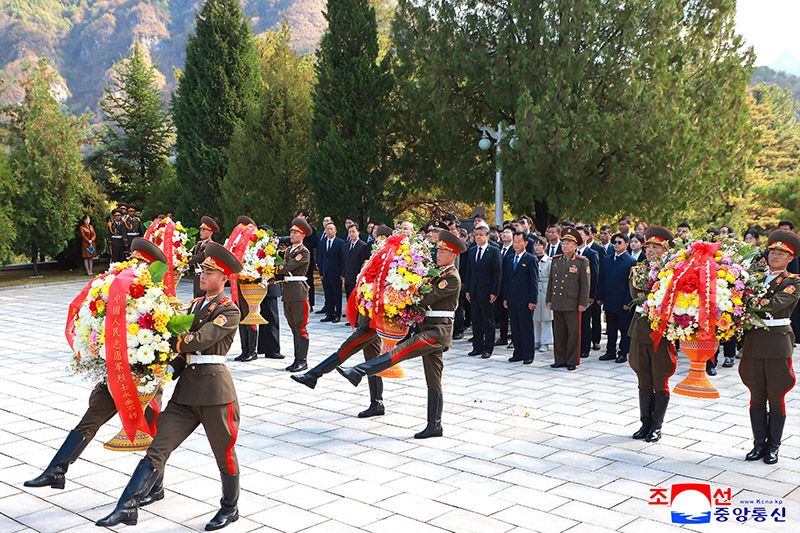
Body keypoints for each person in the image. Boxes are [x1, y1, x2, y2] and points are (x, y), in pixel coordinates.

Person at [95, 242, 244, 530]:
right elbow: (183, 355)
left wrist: (162, 338)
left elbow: (199, 340)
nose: (203, 275)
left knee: (224, 452)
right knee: (158, 447)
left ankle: (230, 507)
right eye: (202, 270)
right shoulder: (193, 305)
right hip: (186, 394)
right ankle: (127, 506)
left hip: (215, 394)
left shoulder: (229, 309)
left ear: (224, 278)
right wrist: (160, 372)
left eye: (210, 272)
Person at [25, 239, 167, 497]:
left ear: (149, 267)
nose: (131, 268)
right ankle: (56, 470)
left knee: (153, 434)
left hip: (141, 380)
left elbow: (161, 341)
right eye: (131, 261)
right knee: (91, 418)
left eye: (138, 264)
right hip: (114, 374)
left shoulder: (156, 298)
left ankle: (155, 487)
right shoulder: (113, 292)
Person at [337, 230, 467, 438]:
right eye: (439, 249)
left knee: (400, 352)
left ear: (453, 255)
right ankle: (435, 425)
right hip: (428, 328)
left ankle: (359, 371)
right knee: (433, 380)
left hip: (438, 332)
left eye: (443, 251)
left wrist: (403, 292)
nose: (438, 253)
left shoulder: (451, 278)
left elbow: (425, 299)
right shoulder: (438, 273)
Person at [292, 225, 394, 417]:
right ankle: (377, 402)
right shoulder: (377, 259)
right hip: (367, 318)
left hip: (374, 323)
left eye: (380, 238)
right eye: (375, 238)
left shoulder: (392, 263)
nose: (376, 242)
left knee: (345, 349)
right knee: (371, 360)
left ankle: (314, 375)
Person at [739, 230, 800, 464]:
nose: (775, 255)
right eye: (772, 251)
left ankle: (773, 446)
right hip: (754, 341)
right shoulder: (752, 278)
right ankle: (758, 444)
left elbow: (775, 304)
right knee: (756, 395)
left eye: (781, 253)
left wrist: (746, 302)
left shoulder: (793, 281)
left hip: (776, 342)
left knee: (776, 396)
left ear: (790, 258)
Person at [628, 226, 677, 443]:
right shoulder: (639, 269)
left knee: (660, 378)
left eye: (655, 246)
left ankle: (657, 426)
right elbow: (636, 295)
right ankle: (644, 422)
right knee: (643, 378)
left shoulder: (673, 271)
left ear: (666, 249)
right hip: (640, 328)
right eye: (648, 246)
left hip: (661, 330)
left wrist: (649, 296)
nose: (650, 250)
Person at [546, 227, 590, 371]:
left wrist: (583, 303)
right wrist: (549, 299)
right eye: (564, 243)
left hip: (572, 302)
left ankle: (572, 360)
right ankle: (560, 359)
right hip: (558, 301)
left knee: (573, 333)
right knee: (559, 333)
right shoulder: (556, 260)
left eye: (569, 243)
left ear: (575, 246)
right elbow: (551, 281)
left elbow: (585, 284)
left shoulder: (581, 262)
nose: (565, 246)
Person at [276, 218, 313, 372]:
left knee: (301, 327)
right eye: (291, 232)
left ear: (302, 235)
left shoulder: (303, 252)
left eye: (295, 232)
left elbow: (287, 267)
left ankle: (302, 361)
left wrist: (277, 267)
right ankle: (296, 359)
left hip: (299, 292)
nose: (292, 234)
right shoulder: (288, 251)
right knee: (293, 327)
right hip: (288, 291)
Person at [596, 233, 637, 363]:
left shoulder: (631, 261)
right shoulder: (608, 259)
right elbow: (601, 278)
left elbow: (631, 284)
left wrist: (627, 301)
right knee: (611, 328)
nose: (616, 245)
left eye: (619, 242)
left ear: (626, 244)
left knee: (624, 329)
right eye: (615, 242)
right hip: (609, 299)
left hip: (622, 301)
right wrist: (600, 296)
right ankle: (610, 351)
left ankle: (623, 352)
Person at [465, 224, 502, 359]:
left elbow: (497, 273)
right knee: (476, 319)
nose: (478, 237)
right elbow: (469, 272)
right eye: (476, 235)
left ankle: (488, 348)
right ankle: (477, 346)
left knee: (488, 320)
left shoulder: (494, 251)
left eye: (481, 235)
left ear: (487, 236)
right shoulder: (472, 250)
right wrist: (468, 289)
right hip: (474, 291)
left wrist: (495, 291)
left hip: (487, 292)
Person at [503, 231, 538, 364]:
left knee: (526, 328)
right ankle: (518, 352)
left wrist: (532, 300)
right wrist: (505, 297)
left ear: (525, 243)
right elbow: (506, 280)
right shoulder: (509, 258)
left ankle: (528, 354)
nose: (516, 244)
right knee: (515, 328)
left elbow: (534, 281)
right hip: (512, 299)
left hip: (525, 300)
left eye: (519, 242)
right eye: (514, 241)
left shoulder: (530, 259)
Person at [576, 226, 600, 359]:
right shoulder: (572, 253)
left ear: (587, 236)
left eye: (581, 234)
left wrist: (591, 295)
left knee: (585, 322)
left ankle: (585, 348)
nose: (579, 237)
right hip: (573, 294)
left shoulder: (592, 254)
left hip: (586, 294)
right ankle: (576, 347)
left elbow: (595, 275)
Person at [317, 222, 346, 323]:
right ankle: (329, 314)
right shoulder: (323, 241)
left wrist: (342, 273)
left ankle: (337, 315)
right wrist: (320, 270)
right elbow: (321, 256)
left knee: (337, 294)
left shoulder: (340, 242)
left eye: (331, 229)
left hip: (336, 273)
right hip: (325, 272)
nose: (329, 231)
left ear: (335, 231)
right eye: (327, 229)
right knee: (328, 294)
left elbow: (343, 259)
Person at [188, 216, 220, 298]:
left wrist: (185, 258)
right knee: (196, 299)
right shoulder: (199, 244)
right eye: (201, 229)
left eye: (204, 230)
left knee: (203, 300)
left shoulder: (211, 245)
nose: (201, 232)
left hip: (206, 277)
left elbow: (199, 258)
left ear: (211, 232)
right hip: (197, 276)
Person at [532, 236, 554, 352]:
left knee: (546, 318)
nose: (537, 247)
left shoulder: (550, 261)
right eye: (535, 245)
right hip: (535, 290)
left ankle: (545, 342)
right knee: (535, 318)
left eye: (539, 245)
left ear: (545, 247)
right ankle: (536, 340)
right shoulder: (532, 259)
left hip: (546, 290)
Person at [495, 227, 514, 347]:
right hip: (500, 286)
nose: (504, 235)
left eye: (507, 233)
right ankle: (502, 337)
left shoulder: (514, 249)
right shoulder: (498, 249)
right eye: (503, 233)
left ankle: (514, 339)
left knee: (512, 315)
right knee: (500, 313)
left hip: (511, 286)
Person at [344, 223, 371, 300]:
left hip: (357, 276)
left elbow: (364, 262)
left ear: (358, 232)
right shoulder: (346, 245)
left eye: (353, 232)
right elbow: (344, 261)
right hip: (347, 276)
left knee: (357, 298)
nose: (351, 234)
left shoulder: (363, 246)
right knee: (348, 297)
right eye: (349, 232)